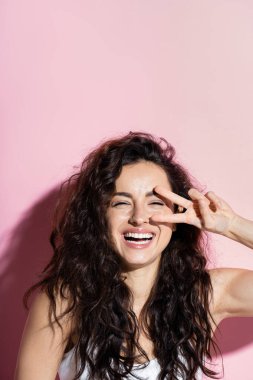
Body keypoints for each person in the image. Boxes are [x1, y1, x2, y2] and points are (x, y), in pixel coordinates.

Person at [15, 132, 253, 380]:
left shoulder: (204, 295)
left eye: (155, 203)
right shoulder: (66, 301)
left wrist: (231, 225)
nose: (139, 218)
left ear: (177, 216)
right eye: (121, 203)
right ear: (99, 216)